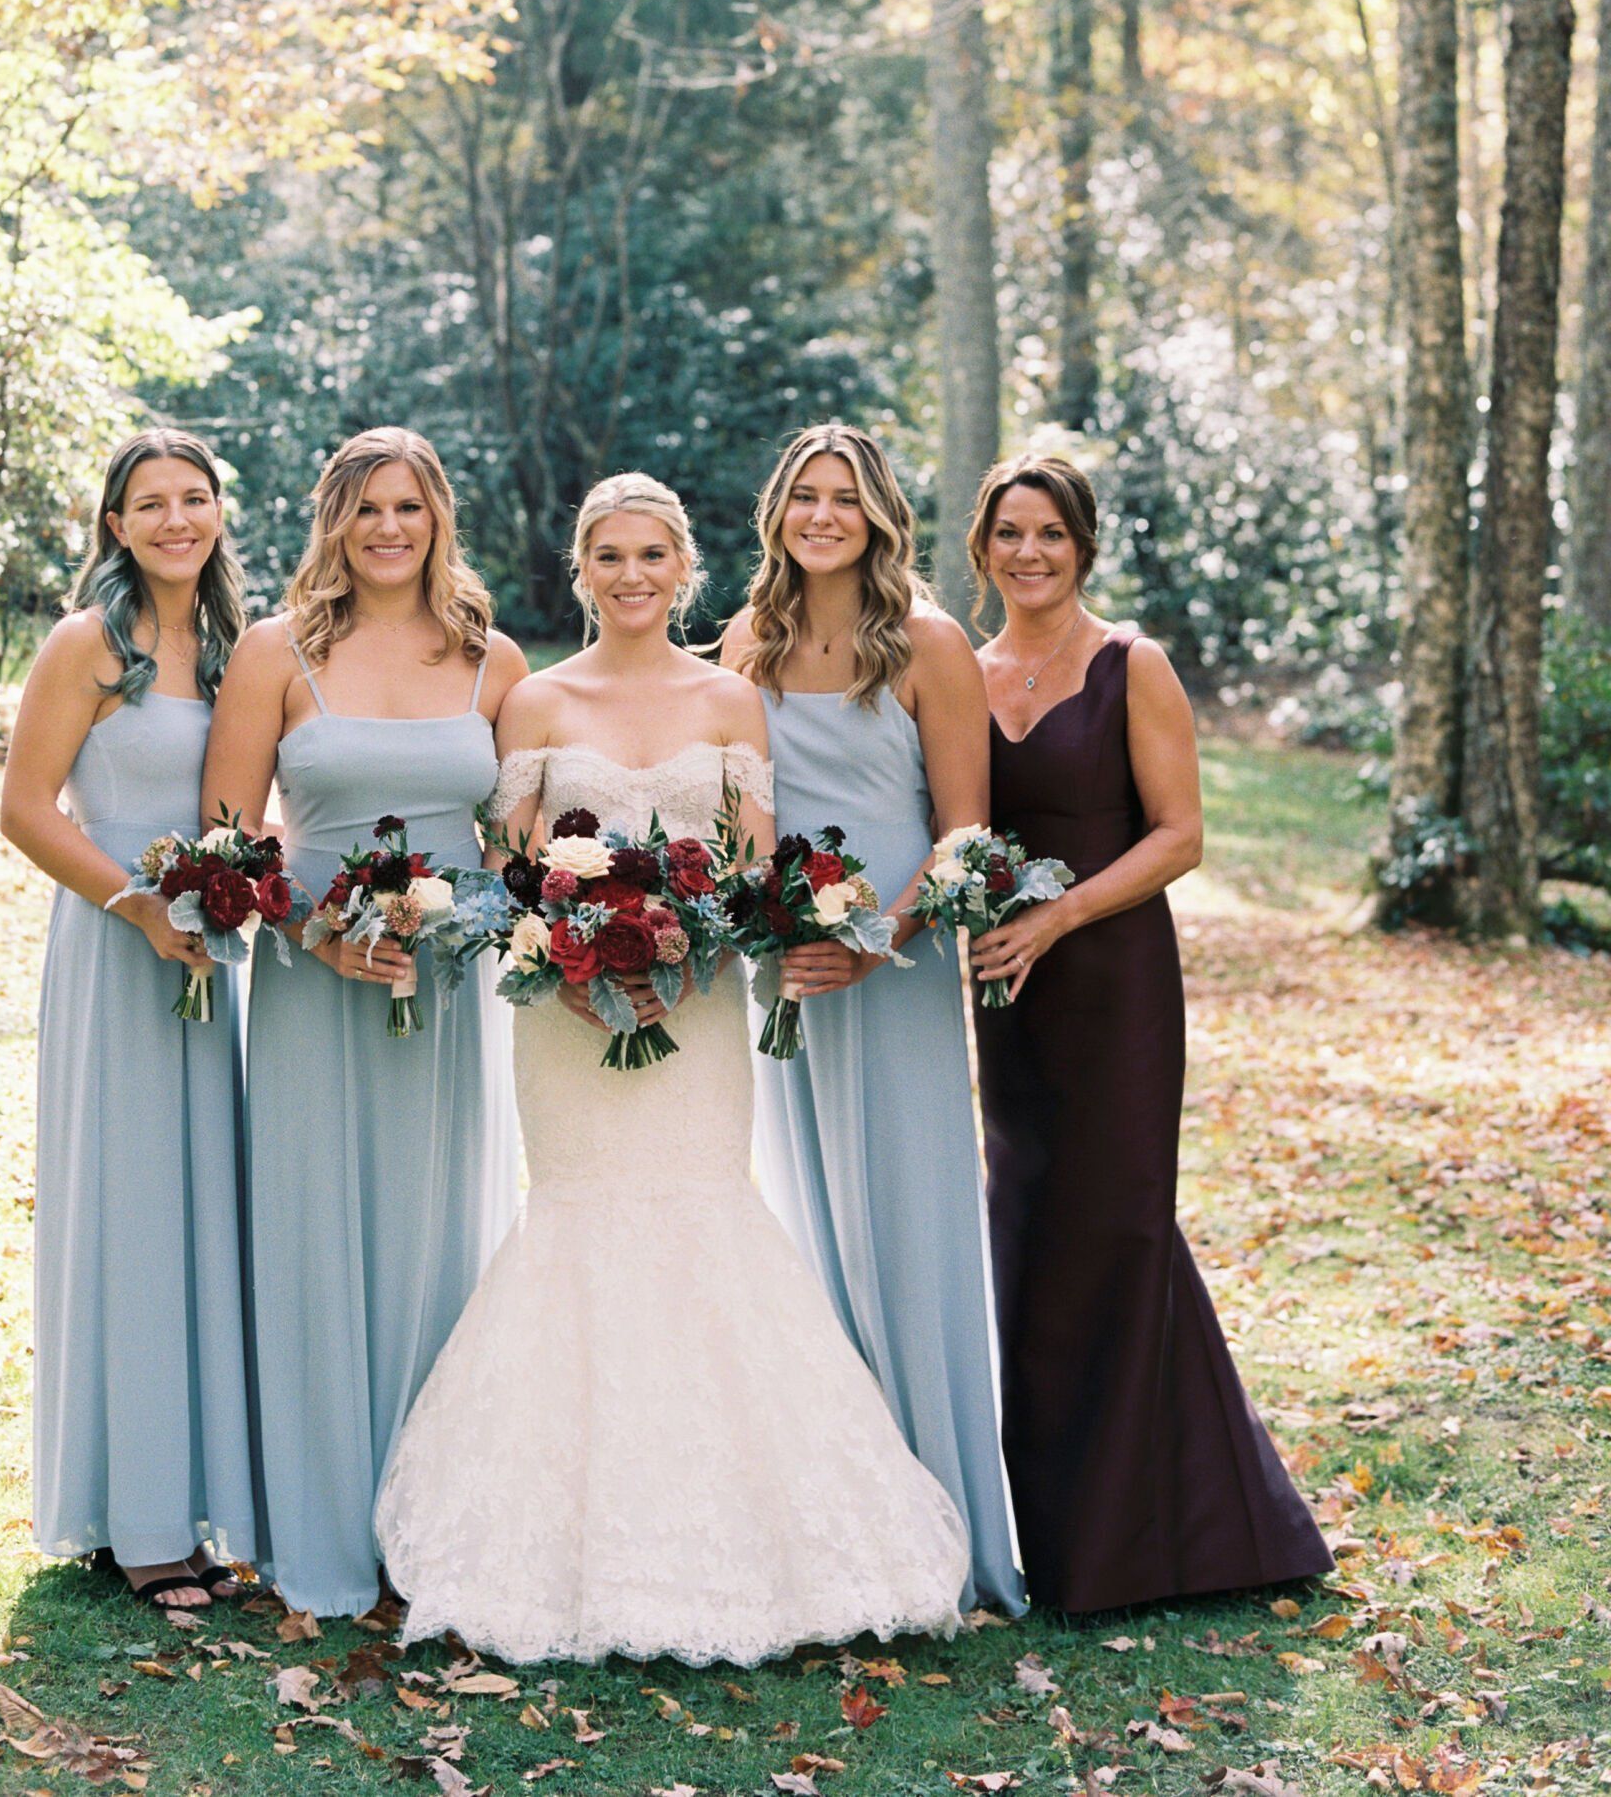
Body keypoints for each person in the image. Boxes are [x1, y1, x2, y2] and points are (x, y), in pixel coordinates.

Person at [374, 472, 970, 1667]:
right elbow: (514, 871)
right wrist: (579, 959)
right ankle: (547, 1543)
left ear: (683, 567)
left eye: (653, 555)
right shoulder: (536, 698)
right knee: (580, 1225)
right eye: (610, 556)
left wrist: (682, 952)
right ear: (580, 568)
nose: (632, 575)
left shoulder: (731, 699)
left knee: (706, 1219)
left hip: (696, 1015)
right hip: (565, 1019)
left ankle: (762, 1536)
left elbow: (753, 875)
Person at [968, 452, 1331, 1612]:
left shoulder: (1135, 664)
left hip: (1113, 980)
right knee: (1028, 1230)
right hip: (1006, 992)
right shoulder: (964, 673)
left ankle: (1160, 1537)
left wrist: (1062, 913)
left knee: (1116, 1225)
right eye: (1010, 533)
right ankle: (1049, 1518)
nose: (1031, 552)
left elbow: (1180, 834)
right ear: (982, 550)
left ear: (1084, 547)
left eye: (1051, 534)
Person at [201, 428, 524, 1618]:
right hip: (310, 990)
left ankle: (431, 1526)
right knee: (313, 1235)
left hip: (442, 999)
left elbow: (523, 852)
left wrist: (477, 918)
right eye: (368, 506)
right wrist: (314, 933)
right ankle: (320, 1524)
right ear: (333, 518)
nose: (390, 527)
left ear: (441, 520)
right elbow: (229, 837)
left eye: (412, 506)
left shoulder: (495, 664)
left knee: (436, 1233)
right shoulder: (276, 652)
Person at [721, 422, 1023, 1614]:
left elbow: (963, 832)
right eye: (806, 493)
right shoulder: (749, 640)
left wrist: (879, 940)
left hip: (888, 973)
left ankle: (947, 1521)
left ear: (880, 513)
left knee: (908, 1228)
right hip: (783, 968)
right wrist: (773, 926)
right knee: (807, 1230)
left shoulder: (930, 644)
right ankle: (841, 1522)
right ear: (780, 511)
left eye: (846, 496)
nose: (825, 514)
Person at [0, 429, 257, 1611]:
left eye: (192, 498)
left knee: (204, 1210)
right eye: (148, 503)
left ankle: (199, 1491)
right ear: (114, 523)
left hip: (214, 955)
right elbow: (24, 807)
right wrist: (140, 905)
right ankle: (136, 1519)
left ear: (217, 513)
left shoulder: (238, 648)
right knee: (132, 1208)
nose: (173, 520)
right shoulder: (87, 644)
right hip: (118, 950)